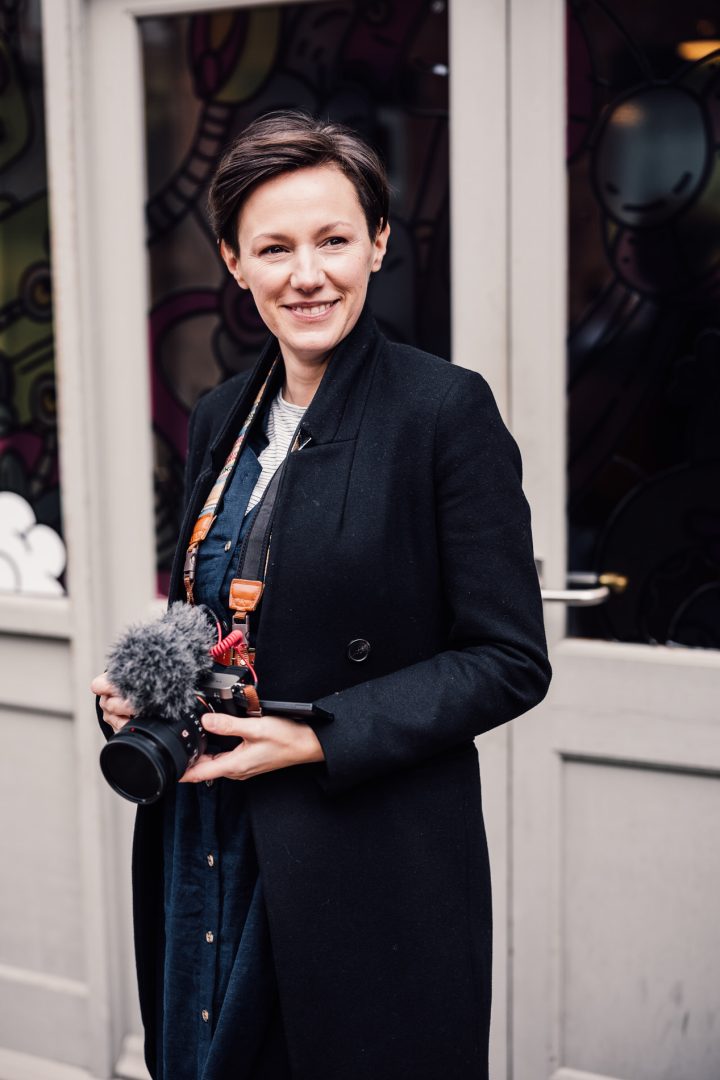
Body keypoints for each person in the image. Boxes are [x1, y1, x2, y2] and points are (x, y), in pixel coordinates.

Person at [92, 110, 550, 1080]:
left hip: (361, 863)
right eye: (275, 247)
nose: (309, 274)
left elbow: (510, 659)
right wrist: (148, 690)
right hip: (208, 844)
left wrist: (321, 734)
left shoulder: (445, 412)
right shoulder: (220, 417)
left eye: (335, 240)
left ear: (379, 243)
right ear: (233, 260)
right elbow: (213, 613)